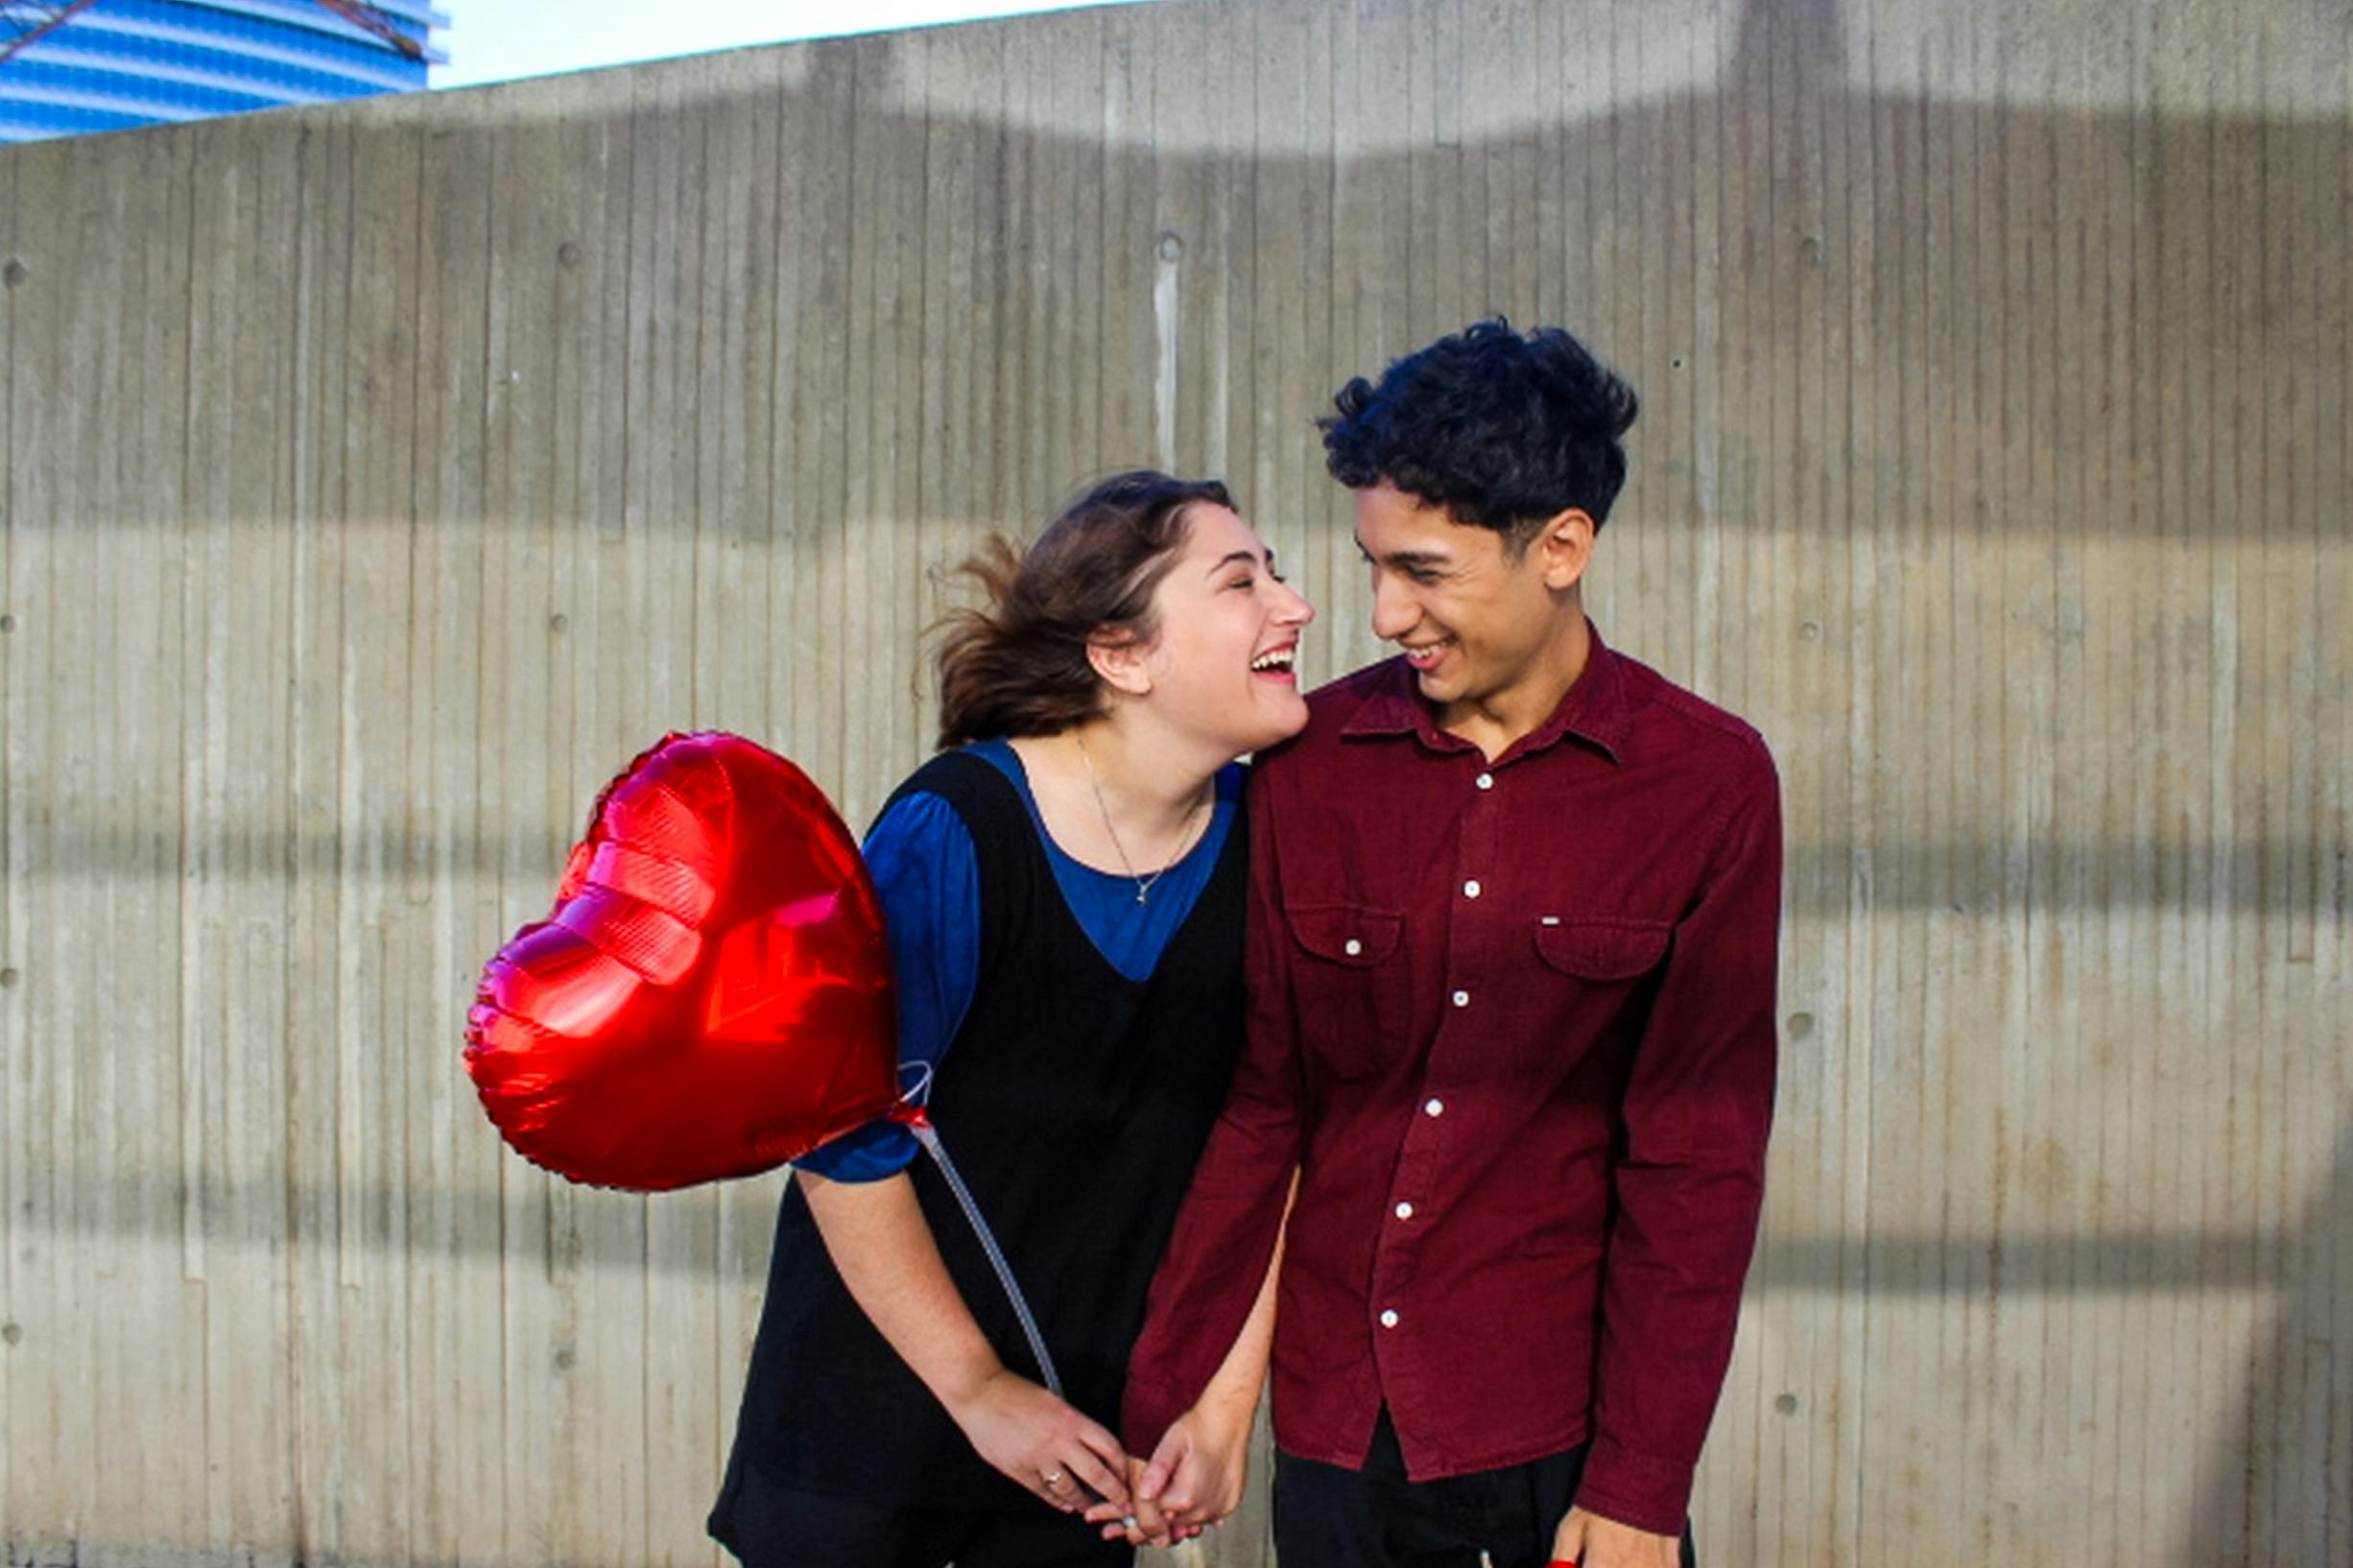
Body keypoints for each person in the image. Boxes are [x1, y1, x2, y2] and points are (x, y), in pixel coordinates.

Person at [1105, 321, 1783, 1568]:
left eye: (1424, 570)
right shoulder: (1301, 762)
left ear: (1562, 547)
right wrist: (1196, 1392)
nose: (1382, 612)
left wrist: (1639, 1484)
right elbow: (1263, 1107)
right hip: (1336, 1441)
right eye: (1370, 564)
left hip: (1556, 1440)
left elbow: (1696, 1166)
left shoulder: (1708, 781)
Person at [706, 469, 1316, 1568]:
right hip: (869, 1437)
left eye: (1276, 572)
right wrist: (979, 1386)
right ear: (1121, 653)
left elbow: (1273, 1140)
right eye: (1241, 581)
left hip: (1077, 1460)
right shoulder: (953, 827)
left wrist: (1224, 1409)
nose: (1294, 604)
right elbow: (841, 1136)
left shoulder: (1276, 836)